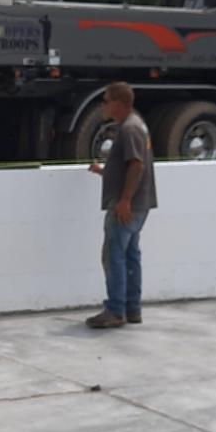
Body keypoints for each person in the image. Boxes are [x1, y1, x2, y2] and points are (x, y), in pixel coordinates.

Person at [86, 81, 156, 328]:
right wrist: (104, 172)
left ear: (118, 103)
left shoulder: (129, 129)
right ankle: (131, 309)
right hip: (139, 204)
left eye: (105, 101)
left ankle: (115, 310)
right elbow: (127, 166)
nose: (103, 106)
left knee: (113, 256)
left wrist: (125, 200)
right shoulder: (136, 126)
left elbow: (136, 164)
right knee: (130, 255)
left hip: (128, 206)